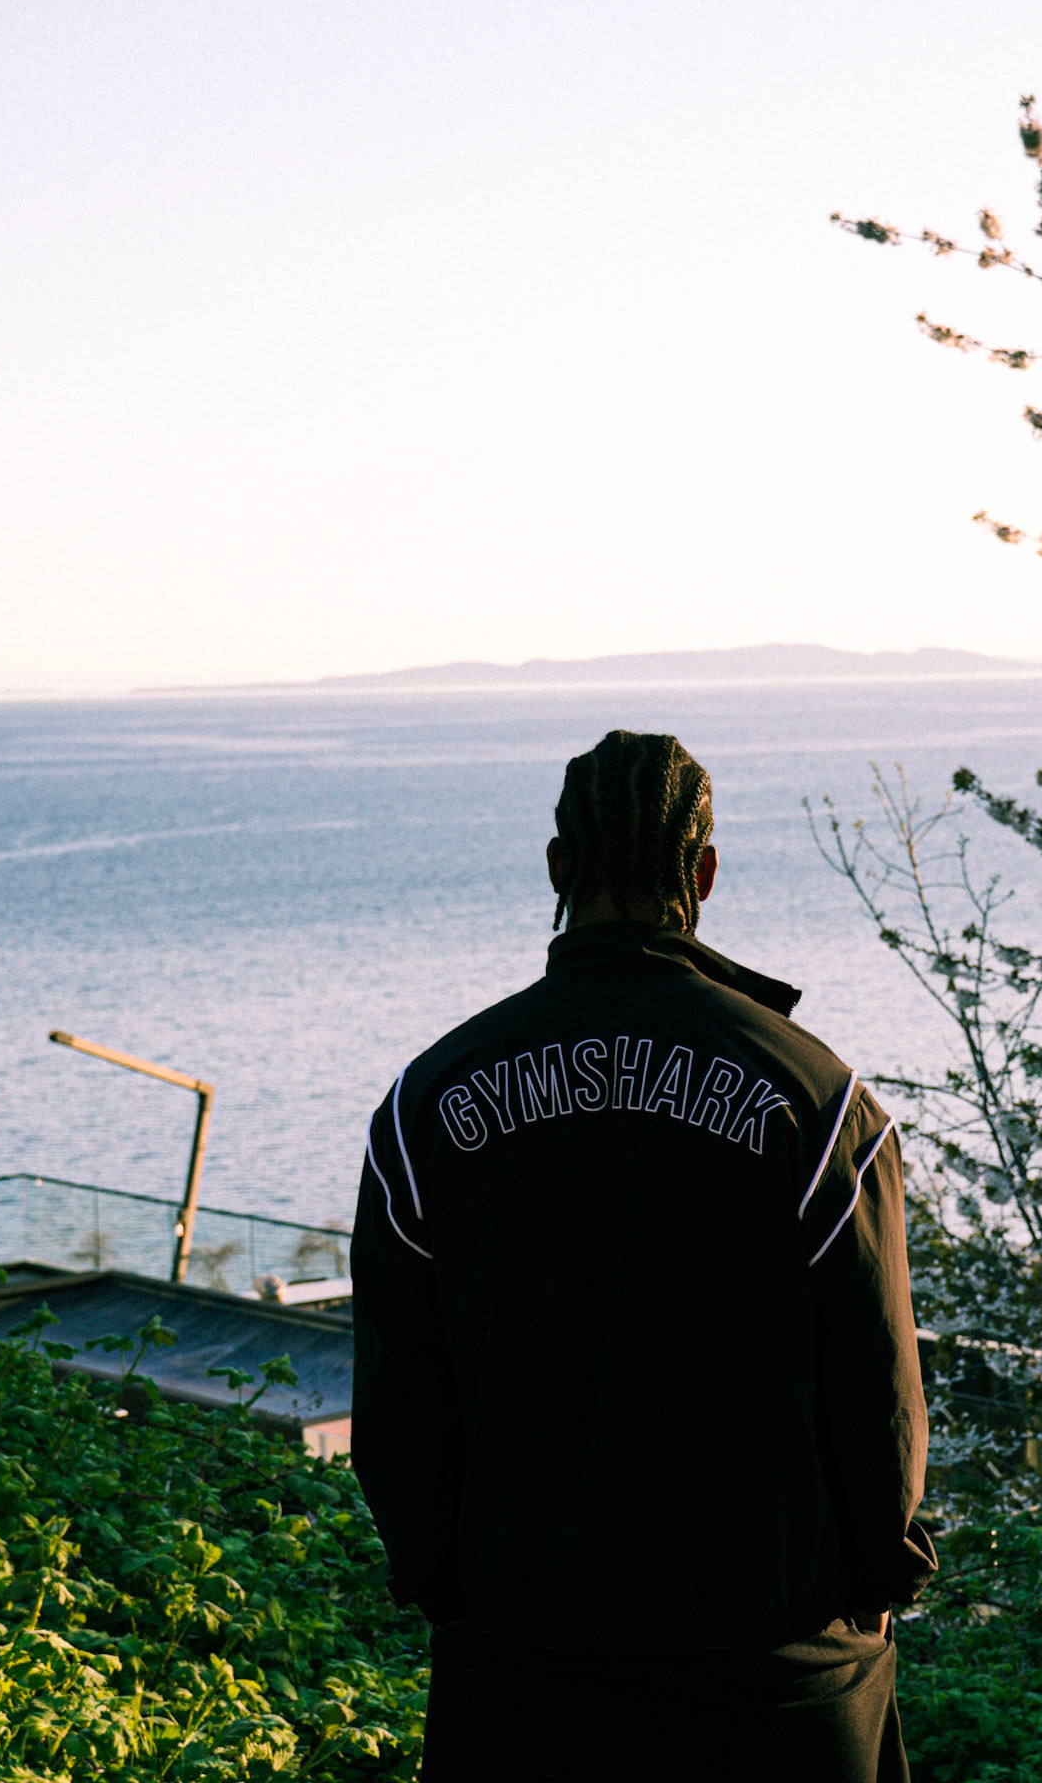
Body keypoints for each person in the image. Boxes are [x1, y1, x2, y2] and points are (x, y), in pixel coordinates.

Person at [351, 730, 934, 1782]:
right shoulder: (818, 1100)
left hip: (523, 1670)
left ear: (557, 868)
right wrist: (878, 1582)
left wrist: (454, 1591)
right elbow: (877, 1385)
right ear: (702, 872)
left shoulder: (427, 1103)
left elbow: (399, 1399)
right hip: (777, 1668)